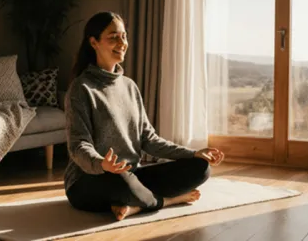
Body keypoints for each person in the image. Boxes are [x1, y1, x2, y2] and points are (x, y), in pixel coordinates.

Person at [64, 11, 225, 221]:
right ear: (93, 43)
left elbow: (149, 140)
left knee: (201, 169)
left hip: (132, 175)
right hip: (90, 180)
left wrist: (194, 154)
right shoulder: (81, 88)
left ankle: (134, 203)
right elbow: (78, 146)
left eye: (123, 36)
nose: (122, 43)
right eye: (113, 37)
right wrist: (103, 163)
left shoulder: (129, 86)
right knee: (122, 180)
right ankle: (168, 201)